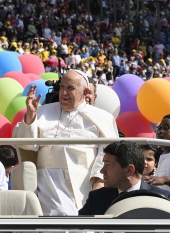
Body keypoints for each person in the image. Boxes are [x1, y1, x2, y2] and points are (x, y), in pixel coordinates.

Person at [13, 69, 119, 216]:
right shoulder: (42, 111)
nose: (63, 93)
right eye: (62, 87)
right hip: (50, 181)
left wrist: (99, 180)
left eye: (70, 88)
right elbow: (26, 145)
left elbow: (107, 152)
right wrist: (30, 115)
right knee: (60, 219)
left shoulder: (103, 117)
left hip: (85, 179)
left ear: (85, 92)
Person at [78, 141, 170, 215]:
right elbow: (78, 228)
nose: (102, 171)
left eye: (108, 165)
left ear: (129, 170)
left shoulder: (163, 199)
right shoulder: (96, 198)